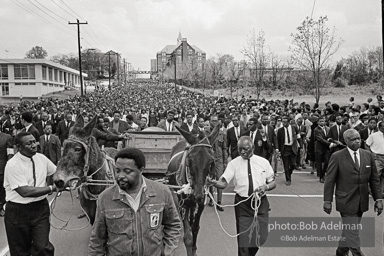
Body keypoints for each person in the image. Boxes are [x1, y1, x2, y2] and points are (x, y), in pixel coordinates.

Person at [88, 147, 182, 256]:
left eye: (128, 171)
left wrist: (167, 252)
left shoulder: (162, 193)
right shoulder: (105, 198)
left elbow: (173, 225)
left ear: (141, 170)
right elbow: (97, 240)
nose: (120, 176)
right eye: (117, 170)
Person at [207, 136, 276, 256]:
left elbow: (272, 182)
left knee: (262, 236)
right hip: (242, 204)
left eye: (245, 149)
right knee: (243, 240)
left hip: (261, 203)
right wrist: (213, 183)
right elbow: (223, 183)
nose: (242, 152)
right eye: (240, 149)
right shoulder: (233, 164)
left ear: (253, 148)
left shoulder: (263, 162)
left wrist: (266, 187)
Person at [323, 129, 383, 256]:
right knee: (353, 233)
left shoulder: (368, 155)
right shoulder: (337, 156)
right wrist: (327, 201)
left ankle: (341, 252)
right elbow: (330, 180)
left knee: (349, 231)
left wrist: (378, 199)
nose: (357, 141)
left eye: (358, 138)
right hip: (345, 201)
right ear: (346, 141)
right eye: (353, 139)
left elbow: (374, 180)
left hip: (362, 201)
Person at [3, 132, 58, 256]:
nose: (34, 145)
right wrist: (51, 188)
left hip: (40, 210)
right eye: (29, 143)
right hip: (18, 212)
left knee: (43, 248)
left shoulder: (41, 158)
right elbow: (25, 191)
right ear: (19, 147)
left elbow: (56, 172)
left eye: (34, 142)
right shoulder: (13, 164)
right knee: (20, 251)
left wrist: (72, 179)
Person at [208, 114, 228, 211]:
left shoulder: (222, 133)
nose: (215, 123)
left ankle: (219, 201)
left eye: (216, 121)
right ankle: (211, 199)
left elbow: (224, 148)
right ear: (210, 122)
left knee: (220, 180)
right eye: (213, 121)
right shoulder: (206, 132)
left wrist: (225, 162)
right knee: (210, 180)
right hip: (209, 160)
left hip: (219, 159)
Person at [276, 116, 299, 186]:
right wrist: (278, 150)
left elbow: (298, 137)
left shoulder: (294, 128)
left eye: (285, 122)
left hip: (292, 148)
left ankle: (289, 171)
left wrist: (300, 147)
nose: (284, 123)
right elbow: (278, 141)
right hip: (285, 149)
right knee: (286, 165)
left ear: (289, 122)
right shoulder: (280, 130)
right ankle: (288, 179)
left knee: (293, 164)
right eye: (283, 122)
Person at [365, 121, 384, 197]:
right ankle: (371, 191)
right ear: (380, 127)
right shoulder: (374, 135)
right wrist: (371, 154)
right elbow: (366, 145)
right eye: (383, 126)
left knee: (383, 177)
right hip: (377, 157)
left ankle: (381, 192)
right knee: (375, 175)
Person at [314, 116, 331, 183]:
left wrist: (330, 141)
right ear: (318, 122)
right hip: (319, 148)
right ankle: (321, 176)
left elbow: (329, 136)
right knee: (319, 163)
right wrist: (329, 143)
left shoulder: (328, 128)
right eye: (320, 121)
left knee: (327, 161)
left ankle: (323, 173)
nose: (322, 122)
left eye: (323, 121)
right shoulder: (316, 130)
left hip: (326, 148)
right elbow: (320, 139)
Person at [0, 129, 14, 216]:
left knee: (2, 189)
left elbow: (10, 154)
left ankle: (1, 206)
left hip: (2, 168)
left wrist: (9, 167)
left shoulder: (7, 137)